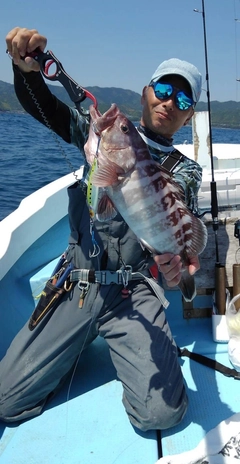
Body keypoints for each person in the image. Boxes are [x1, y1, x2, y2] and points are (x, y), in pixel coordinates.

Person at [0, 27, 202, 431]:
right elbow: (48, 110)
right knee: (6, 400)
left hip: (134, 290)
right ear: (146, 91)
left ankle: (115, 343)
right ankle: (74, 338)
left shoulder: (186, 171)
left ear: (189, 115)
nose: (169, 102)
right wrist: (27, 72)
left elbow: (174, 221)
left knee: (161, 415)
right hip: (78, 280)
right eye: (163, 89)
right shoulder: (102, 136)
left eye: (183, 100)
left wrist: (178, 264)